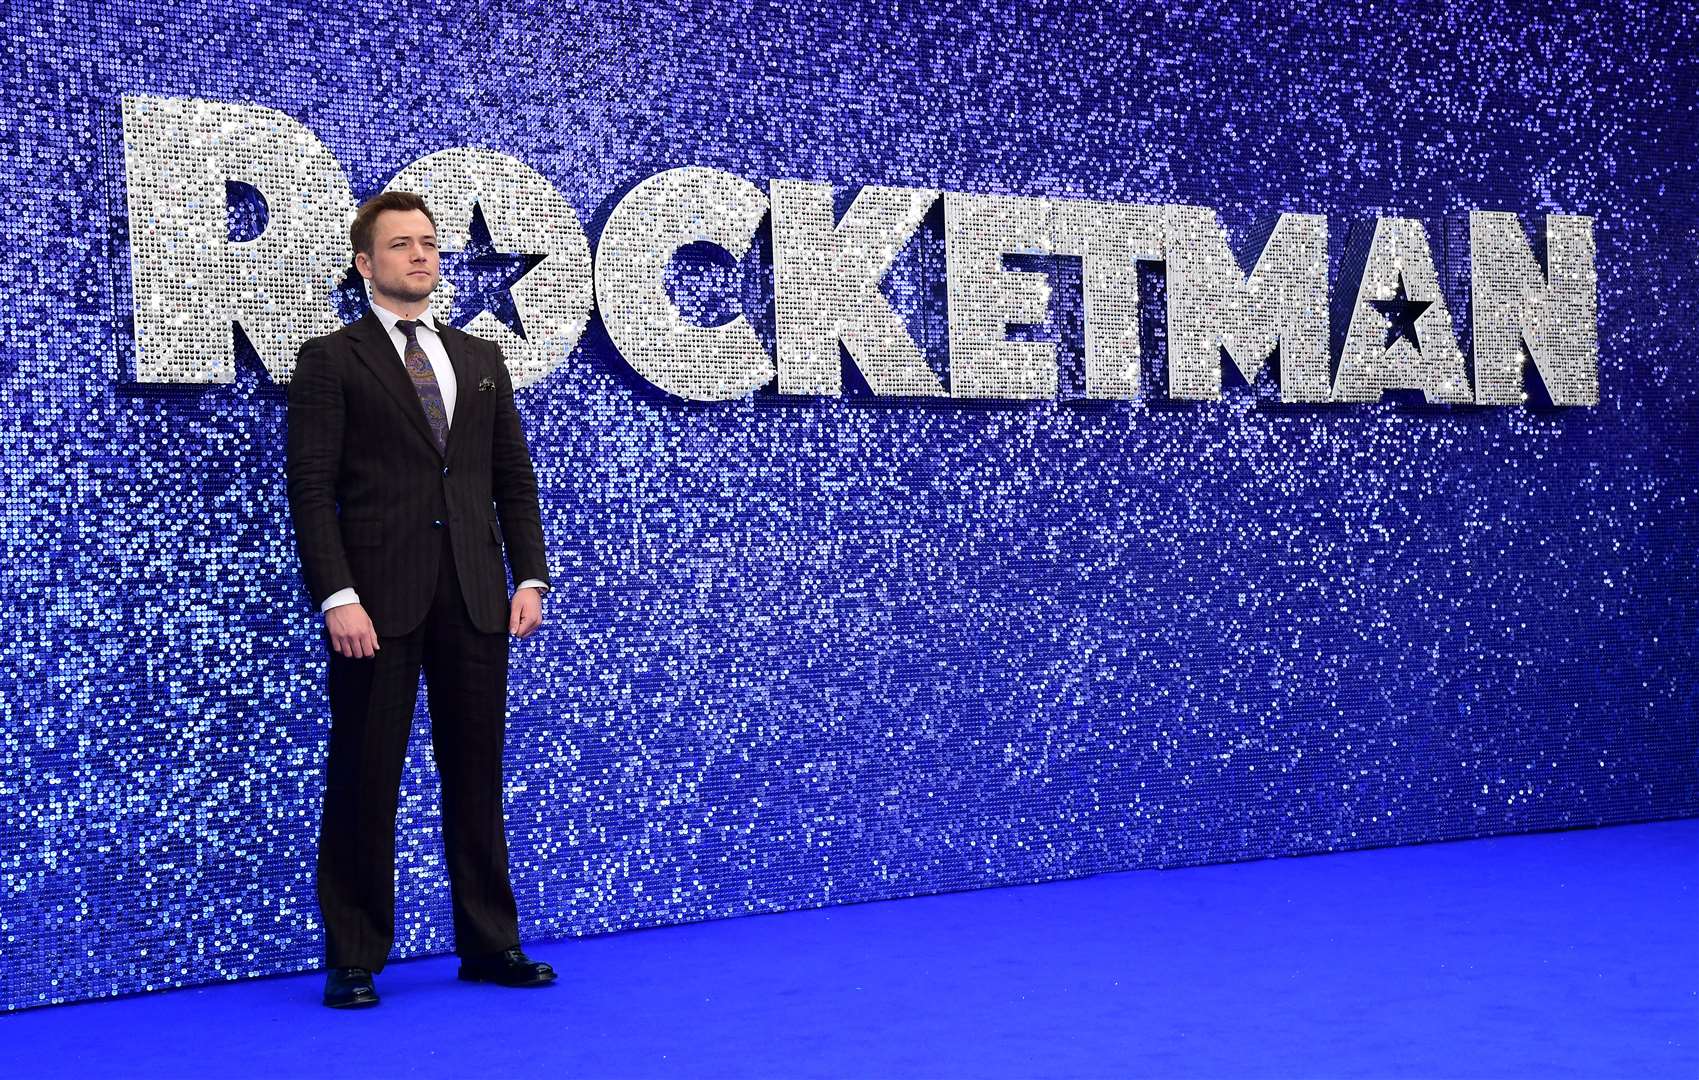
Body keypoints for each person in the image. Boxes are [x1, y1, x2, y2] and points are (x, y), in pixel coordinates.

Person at [286, 191, 556, 1008]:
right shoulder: (331, 360)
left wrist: (530, 575)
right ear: (364, 264)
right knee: (365, 775)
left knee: (475, 775)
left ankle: (489, 944)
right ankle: (356, 953)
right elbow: (310, 488)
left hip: (476, 598)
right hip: (376, 603)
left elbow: (511, 477)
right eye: (401, 245)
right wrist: (337, 594)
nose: (421, 256)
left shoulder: (480, 360)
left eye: (430, 244)